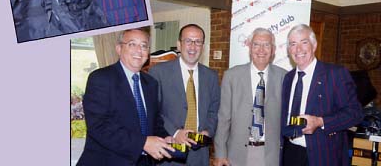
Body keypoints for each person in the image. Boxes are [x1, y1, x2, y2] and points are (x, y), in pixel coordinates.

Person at [77, 28, 175, 166]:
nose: (138, 50)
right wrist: (143, 143)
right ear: (118, 48)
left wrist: (166, 138)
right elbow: (99, 126)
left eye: (143, 45)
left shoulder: (151, 83)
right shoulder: (101, 78)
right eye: (132, 44)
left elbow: (155, 122)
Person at [281, 24, 363, 166]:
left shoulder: (335, 74)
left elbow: (355, 114)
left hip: (323, 155)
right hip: (291, 152)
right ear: (289, 50)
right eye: (293, 44)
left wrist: (321, 122)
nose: (298, 49)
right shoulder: (288, 78)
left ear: (314, 45)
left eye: (304, 42)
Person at [149, 24, 221, 166]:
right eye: (188, 41)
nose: (193, 47)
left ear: (203, 46)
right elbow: (154, 110)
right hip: (170, 151)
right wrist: (176, 133)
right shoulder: (158, 73)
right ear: (179, 45)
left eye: (198, 42)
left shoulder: (211, 76)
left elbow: (214, 110)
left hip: (200, 155)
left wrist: (208, 131)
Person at [214, 28, 287, 166]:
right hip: (236, 154)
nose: (261, 50)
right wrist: (220, 153)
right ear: (249, 47)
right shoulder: (231, 76)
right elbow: (223, 118)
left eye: (266, 45)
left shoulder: (284, 77)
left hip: (271, 155)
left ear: (273, 49)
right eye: (256, 44)